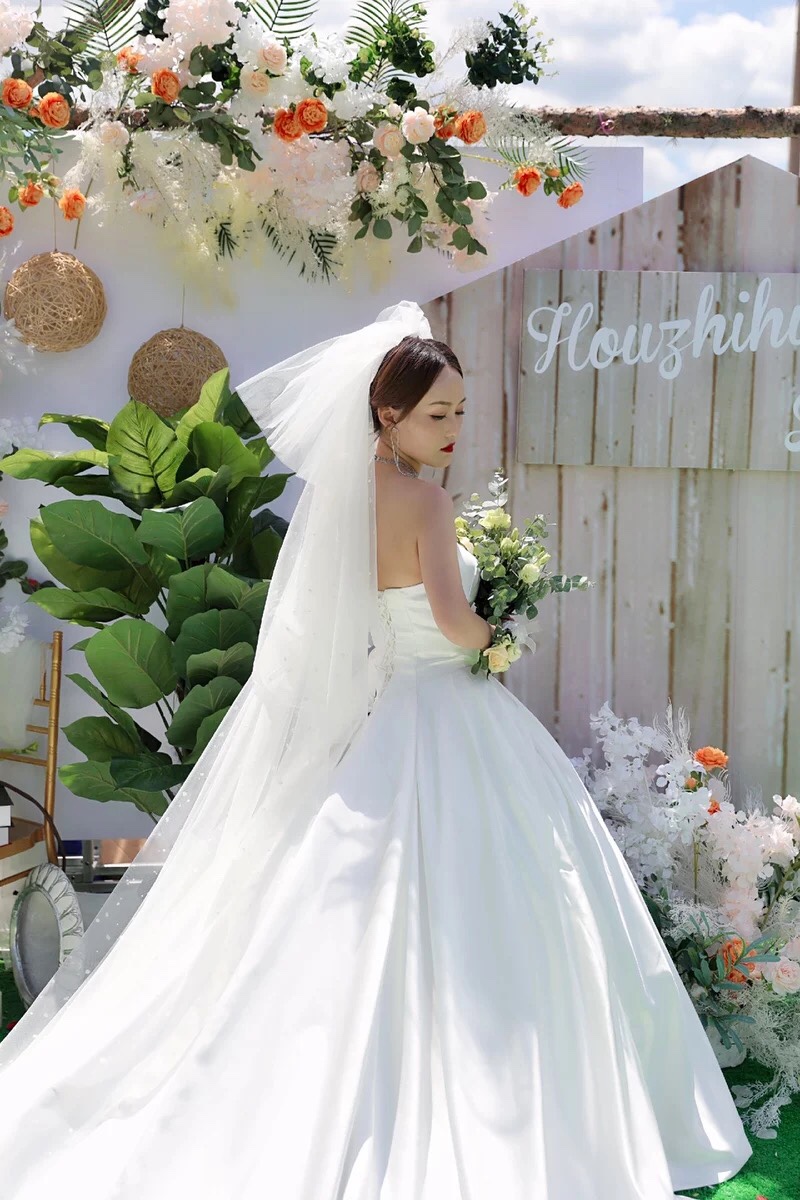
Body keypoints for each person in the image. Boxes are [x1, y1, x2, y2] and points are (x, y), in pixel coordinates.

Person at [0, 301, 752, 1198]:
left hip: (386, 714)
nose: (453, 428)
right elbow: (451, 622)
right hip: (448, 708)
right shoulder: (425, 501)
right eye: (437, 413)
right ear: (386, 412)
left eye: (460, 410)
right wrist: (501, 631)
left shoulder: (342, 497)